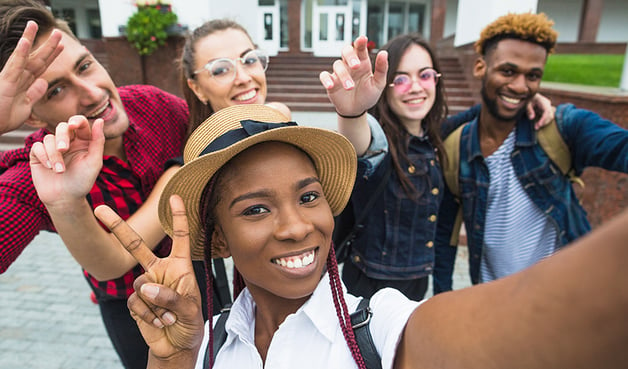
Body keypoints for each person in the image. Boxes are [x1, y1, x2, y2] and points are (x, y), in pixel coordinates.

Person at [95, 103, 628, 369]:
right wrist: (171, 359)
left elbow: (564, 316)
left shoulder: (382, 327)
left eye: (308, 196)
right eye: (256, 208)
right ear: (221, 237)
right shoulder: (207, 340)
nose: (299, 226)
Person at [26, 17, 291, 366]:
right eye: (221, 69)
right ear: (196, 87)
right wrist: (65, 202)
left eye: (250, 59)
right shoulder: (188, 166)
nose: (243, 76)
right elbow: (116, 259)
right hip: (141, 303)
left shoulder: (283, 128)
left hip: (253, 288)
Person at [0, 1, 190, 368]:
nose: (92, 93)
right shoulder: (36, 174)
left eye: (85, 65)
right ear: (31, 114)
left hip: (202, 278)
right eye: (55, 91)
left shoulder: (153, 106)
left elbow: (224, 136)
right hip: (128, 308)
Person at [318, 34, 552, 300]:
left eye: (425, 75)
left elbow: (480, 111)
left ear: (436, 81)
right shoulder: (378, 143)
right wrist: (352, 112)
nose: (416, 87)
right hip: (369, 290)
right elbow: (360, 141)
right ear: (385, 85)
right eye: (402, 79)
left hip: (418, 284)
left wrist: (524, 99)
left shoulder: (435, 135)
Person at [433, 12, 628, 293]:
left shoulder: (562, 127)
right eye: (508, 71)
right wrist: (443, 302)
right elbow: (445, 237)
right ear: (479, 67)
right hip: (494, 299)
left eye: (533, 76)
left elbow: (619, 146)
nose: (520, 86)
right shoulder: (456, 147)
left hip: (564, 295)